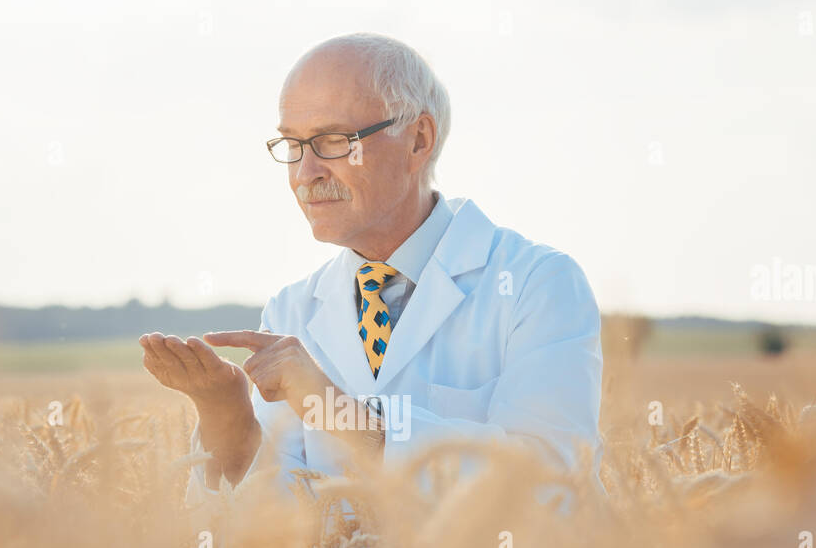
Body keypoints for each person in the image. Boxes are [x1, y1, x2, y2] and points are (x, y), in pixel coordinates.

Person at [139, 33, 603, 507]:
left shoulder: (537, 284)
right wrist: (227, 418)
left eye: (332, 141)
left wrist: (341, 415)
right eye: (292, 144)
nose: (305, 173)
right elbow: (265, 541)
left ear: (418, 140)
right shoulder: (291, 309)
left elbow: (551, 487)